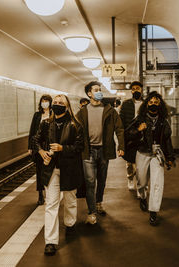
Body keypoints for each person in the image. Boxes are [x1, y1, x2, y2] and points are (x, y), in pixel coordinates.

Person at [32, 94, 84, 256]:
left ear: (67, 106)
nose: (57, 104)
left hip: (69, 168)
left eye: (61, 102)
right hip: (51, 168)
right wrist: (41, 152)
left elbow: (80, 147)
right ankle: (50, 241)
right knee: (51, 204)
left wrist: (63, 149)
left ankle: (70, 224)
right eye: (55, 102)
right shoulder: (46, 123)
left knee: (70, 199)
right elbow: (35, 140)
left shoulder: (76, 125)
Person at [76, 81, 125, 224]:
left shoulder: (109, 110)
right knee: (90, 181)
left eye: (100, 89)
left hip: (104, 150)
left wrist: (121, 146)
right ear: (89, 93)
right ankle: (91, 212)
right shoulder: (83, 112)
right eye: (96, 90)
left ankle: (99, 202)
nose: (99, 92)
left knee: (101, 180)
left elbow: (120, 129)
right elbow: (76, 131)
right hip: (88, 151)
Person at [125, 91, 175, 226]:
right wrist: (138, 130)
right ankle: (142, 196)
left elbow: (167, 140)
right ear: (147, 104)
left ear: (160, 105)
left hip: (157, 154)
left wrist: (170, 157)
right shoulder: (139, 119)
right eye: (151, 102)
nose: (153, 105)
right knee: (141, 181)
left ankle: (153, 210)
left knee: (157, 183)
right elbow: (127, 134)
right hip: (142, 153)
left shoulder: (163, 122)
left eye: (156, 103)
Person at [119, 81, 143, 193]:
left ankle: (140, 185)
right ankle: (130, 178)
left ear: (141, 89)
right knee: (129, 162)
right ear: (131, 91)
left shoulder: (145, 104)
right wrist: (122, 137)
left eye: (137, 88)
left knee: (140, 163)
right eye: (133, 89)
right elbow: (121, 121)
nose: (135, 90)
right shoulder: (126, 104)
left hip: (141, 137)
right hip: (129, 136)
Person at [28, 94, 52, 205]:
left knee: (49, 170)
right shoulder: (37, 115)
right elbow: (32, 131)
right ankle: (40, 195)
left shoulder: (53, 114)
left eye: (46, 101)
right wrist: (30, 146)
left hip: (50, 146)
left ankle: (50, 193)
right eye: (43, 101)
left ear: (50, 103)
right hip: (38, 146)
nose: (44, 103)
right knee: (39, 171)